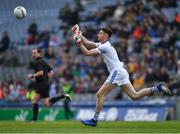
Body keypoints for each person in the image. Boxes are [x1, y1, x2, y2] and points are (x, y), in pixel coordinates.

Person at [71, 24, 172, 127]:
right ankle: (157, 87)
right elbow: (87, 43)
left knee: (99, 94)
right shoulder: (103, 45)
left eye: (100, 33)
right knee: (135, 96)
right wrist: (77, 33)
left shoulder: (105, 46)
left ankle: (94, 120)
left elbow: (87, 52)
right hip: (121, 71)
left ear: (106, 36)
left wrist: (78, 41)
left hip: (117, 72)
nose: (98, 34)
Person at [28, 48, 71, 122]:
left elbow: (41, 73)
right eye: (32, 53)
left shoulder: (38, 62)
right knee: (43, 102)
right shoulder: (44, 61)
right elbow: (51, 72)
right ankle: (63, 95)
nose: (33, 54)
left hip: (41, 84)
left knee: (35, 101)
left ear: (39, 53)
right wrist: (47, 80)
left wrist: (32, 76)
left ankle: (34, 119)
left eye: (35, 53)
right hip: (44, 84)